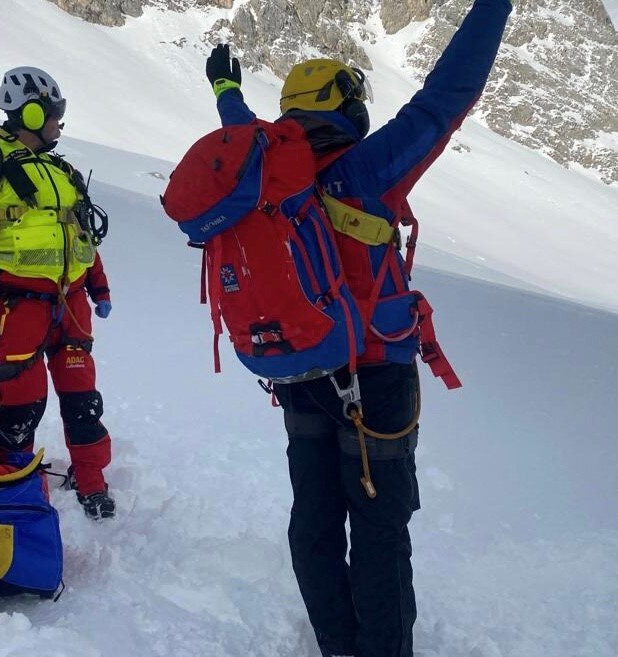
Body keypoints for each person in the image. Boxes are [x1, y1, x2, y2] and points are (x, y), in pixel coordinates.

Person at [204, 1, 512, 655]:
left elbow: (240, 133)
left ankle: (337, 643)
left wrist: (226, 89)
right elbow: (445, 97)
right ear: (346, 107)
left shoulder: (261, 177)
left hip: (301, 376)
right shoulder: (370, 168)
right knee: (379, 524)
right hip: (376, 380)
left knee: (314, 517)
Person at [0, 66, 115, 520]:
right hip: (14, 310)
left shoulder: (64, 171)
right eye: (56, 113)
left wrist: (99, 285)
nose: (60, 122)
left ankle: (92, 481)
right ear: (31, 112)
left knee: (83, 402)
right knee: (22, 407)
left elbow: (80, 236)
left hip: (72, 307)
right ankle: (15, 484)